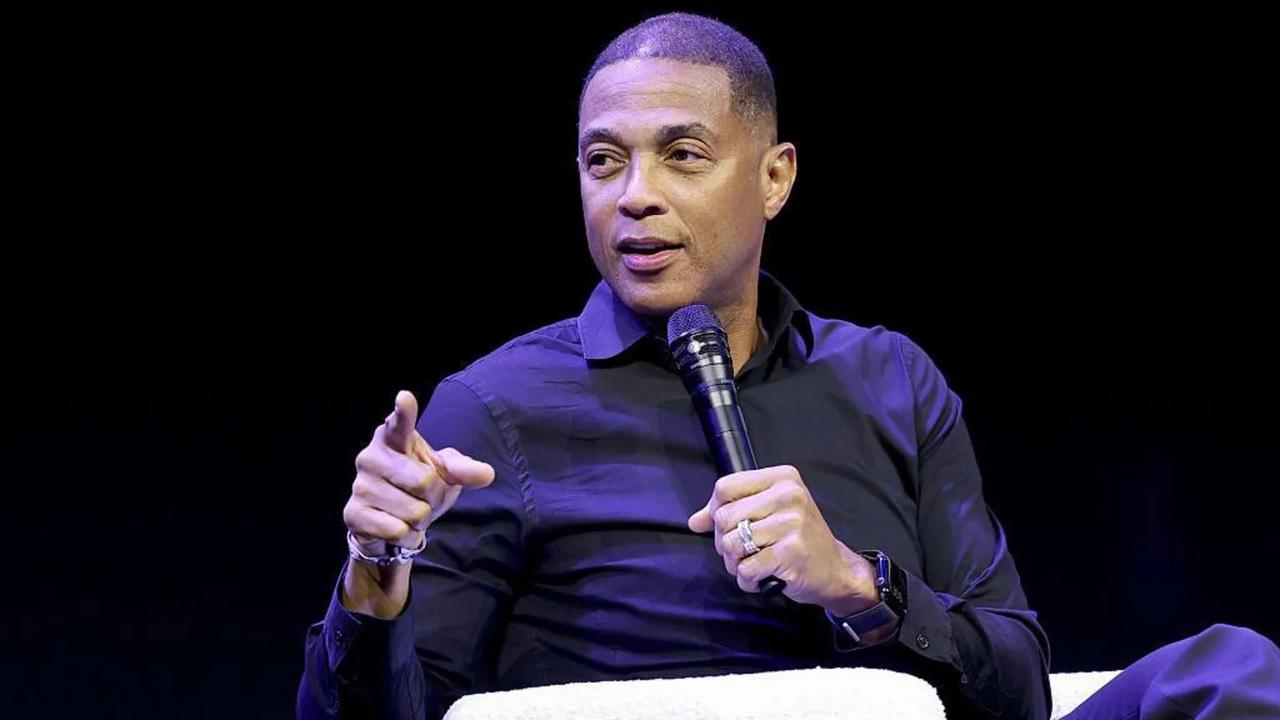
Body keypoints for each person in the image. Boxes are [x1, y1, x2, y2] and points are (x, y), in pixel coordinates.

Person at [297, 13, 1280, 720]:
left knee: (1231, 672)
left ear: (775, 178)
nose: (634, 196)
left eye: (683, 154)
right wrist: (375, 574)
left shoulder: (888, 379)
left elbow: (1018, 681)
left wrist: (857, 584)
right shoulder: (495, 408)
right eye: (603, 162)